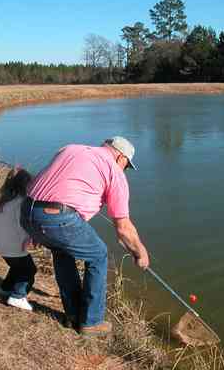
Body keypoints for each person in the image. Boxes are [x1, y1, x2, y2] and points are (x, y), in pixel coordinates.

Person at [21, 136, 150, 336]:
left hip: (27, 212)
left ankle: (73, 315)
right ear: (121, 158)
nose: (125, 170)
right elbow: (123, 227)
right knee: (99, 255)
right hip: (57, 218)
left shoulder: (70, 148)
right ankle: (92, 322)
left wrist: (37, 228)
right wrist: (140, 253)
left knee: (62, 251)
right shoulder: (114, 171)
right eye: (126, 165)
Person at [0, 168, 37, 311]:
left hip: (2, 246)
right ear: (26, 186)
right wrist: (30, 238)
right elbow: (21, 226)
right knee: (29, 270)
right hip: (16, 246)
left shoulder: (0, 201)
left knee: (16, 268)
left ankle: (4, 290)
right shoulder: (21, 203)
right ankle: (18, 296)